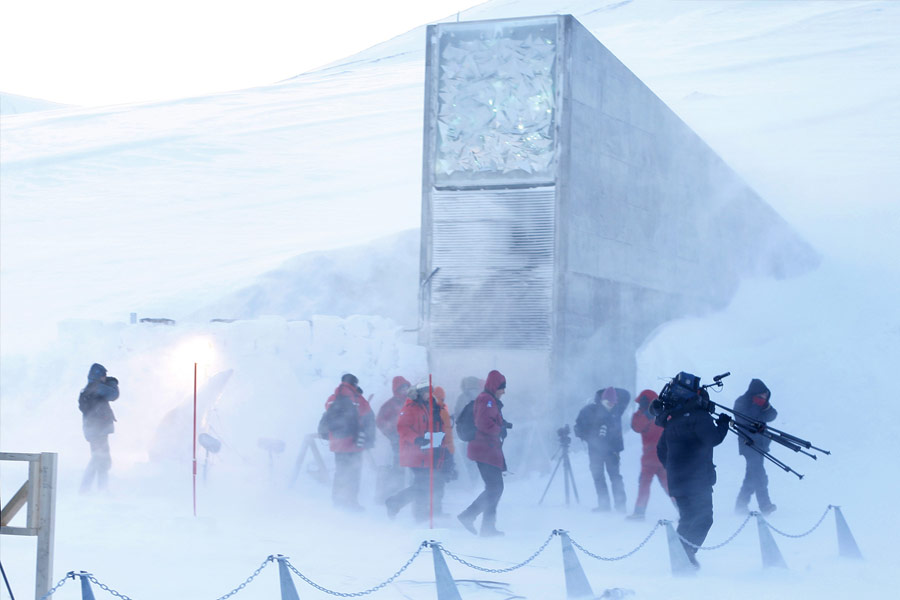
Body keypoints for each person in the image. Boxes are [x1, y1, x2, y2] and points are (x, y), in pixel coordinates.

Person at [656, 379, 731, 568]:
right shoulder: (699, 417)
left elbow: (660, 450)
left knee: (688, 517)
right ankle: (686, 554)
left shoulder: (673, 421)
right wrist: (723, 424)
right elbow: (712, 438)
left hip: (677, 481)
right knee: (704, 517)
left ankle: (679, 555)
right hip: (697, 480)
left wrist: (673, 468)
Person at [385, 382, 452, 521]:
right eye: (427, 392)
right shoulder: (410, 408)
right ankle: (396, 503)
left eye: (431, 392)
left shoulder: (432, 407)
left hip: (430, 451)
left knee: (430, 484)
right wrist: (417, 439)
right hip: (414, 453)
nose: (429, 395)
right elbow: (402, 428)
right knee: (422, 486)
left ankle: (427, 514)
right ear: (420, 393)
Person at [457, 370, 510, 537]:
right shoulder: (486, 400)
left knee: (495, 488)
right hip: (484, 450)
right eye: (502, 388)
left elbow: (488, 420)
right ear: (495, 387)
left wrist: (503, 424)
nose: (503, 391)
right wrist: (499, 428)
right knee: (495, 488)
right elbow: (483, 424)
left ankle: (487, 527)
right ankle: (469, 516)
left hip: (488, 449)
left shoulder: (489, 400)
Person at [323, 373, 375, 511]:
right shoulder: (358, 399)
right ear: (355, 384)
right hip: (353, 443)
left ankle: (338, 502)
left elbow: (327, 415)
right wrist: (369, 440)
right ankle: (351, 503)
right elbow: (369, 417)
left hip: (337, 443)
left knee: (340, 473)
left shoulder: (332, 398)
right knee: (353, 473)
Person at [574, 386, 628, 512]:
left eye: (614, 403)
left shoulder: (617, 410)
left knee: (615, 478)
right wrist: (591, 437)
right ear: (603, 400)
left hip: (612, 452)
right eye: (609, 402)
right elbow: (578, 428)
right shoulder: (589, 411)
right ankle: (604, 506)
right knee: (598, 478)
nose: (612, 405)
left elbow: (626, 394)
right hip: (595, 451)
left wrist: (609, 390)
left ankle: (621, 506)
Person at [733, 379, 778, 515]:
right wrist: (756, 404)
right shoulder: (741, 402)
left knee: (751, 477)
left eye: (765, 395)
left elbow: (772, 415)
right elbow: (745, 420)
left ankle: (741, 504)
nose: (764, 397)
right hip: (749, 445)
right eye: (761, 395)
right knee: (759, 476)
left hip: (761, 445)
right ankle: (765, 505)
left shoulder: (760, 404)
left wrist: (764, 405)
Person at [627, 389, 669, 520]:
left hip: (650, 460)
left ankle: (639, 512)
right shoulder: (665, 412)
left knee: (644, 486)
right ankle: (683, 510)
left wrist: (646, 414)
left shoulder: (643, 415)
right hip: (664, 458)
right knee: (669, 486)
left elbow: (636, 427)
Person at [78, 363, 120, 493]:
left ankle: (100, 488)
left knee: (101, 459)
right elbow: (113, 394)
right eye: (103, 375)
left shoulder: (89, 389)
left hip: (94, 430)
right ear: (98, 376)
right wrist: (112, 382)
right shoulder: (97, 388)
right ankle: (88, 488)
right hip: (98, 430)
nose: (104, 377)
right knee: (99, 458)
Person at [375, 376, 411, 499]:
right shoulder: (389, 405)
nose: (405, 391)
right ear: (396, 390)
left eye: (406, 388)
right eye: (402, 388)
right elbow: (380, 422)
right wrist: (392, 435)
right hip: (398, 441)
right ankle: (395, 491)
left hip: (413, 440)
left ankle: (410, 491)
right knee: (399, 466)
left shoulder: (412, 402)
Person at [432, 386, 457, 515]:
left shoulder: (442, 410)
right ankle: (432, 511)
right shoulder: (434, 411)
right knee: (433, 483)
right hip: (436, 451)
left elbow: (447, 432)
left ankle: (436, 510)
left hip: (442, 450)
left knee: (439, 483)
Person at [453, 376, 483, 486]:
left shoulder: (463, 397)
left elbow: (458, 413)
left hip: (467, 432)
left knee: (468, 457)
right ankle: (479, 479)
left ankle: (472, 481)